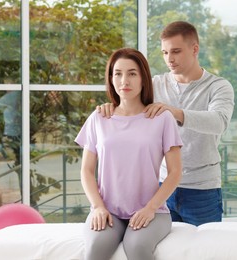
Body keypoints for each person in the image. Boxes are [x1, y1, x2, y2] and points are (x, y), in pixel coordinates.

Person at [98, 21, 234, 226]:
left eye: (176, 51)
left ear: (195, 49)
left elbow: (219, 122)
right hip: (160, 188)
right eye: (164, 52)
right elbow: (129, 107)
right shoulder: (154, 84)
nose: (169, 59)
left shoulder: (218, 86)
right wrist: (111, 107)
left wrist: (175, 112)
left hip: (202, 189)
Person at [75, 47, 183, 260]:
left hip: (151, 211)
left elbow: (175, 172)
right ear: (111, 78)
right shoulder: (99, 117)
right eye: (118, 73)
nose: (124, 80)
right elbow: (87, 170)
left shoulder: (162, 119)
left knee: (137, 247)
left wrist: (150, 209)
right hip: (108, 211)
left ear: (143, 78)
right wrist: (97, 207)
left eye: (132, 73)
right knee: (96, 247)